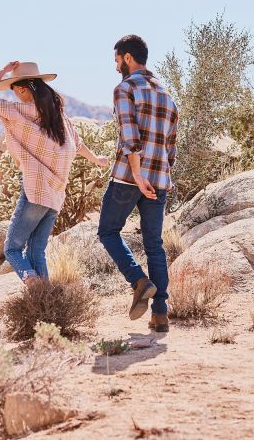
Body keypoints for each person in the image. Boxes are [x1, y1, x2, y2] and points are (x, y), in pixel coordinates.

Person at [0, 61, 108, 286]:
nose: (15, 95)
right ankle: (44, 303)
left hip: (35, 190)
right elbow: (77, 144)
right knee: (37, 252)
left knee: (12, 249)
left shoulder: (19, 111)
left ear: (21, 89)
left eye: (14, 90)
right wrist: (97, 159)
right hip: (55, 196)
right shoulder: (58, 116)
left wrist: (0, 73)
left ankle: (31, 280)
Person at [98, 35, 178, 333]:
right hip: (159, 180)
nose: (116, 65)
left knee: (107, 231)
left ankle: (139, 281)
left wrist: (138, 175)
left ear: (128, 57)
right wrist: (157, 178)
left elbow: (130, 139)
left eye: (117, 59)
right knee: (154, 245)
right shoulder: (166, 94)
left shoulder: (125, 88)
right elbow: (171, 147)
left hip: (129, 178)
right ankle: (160, 315)